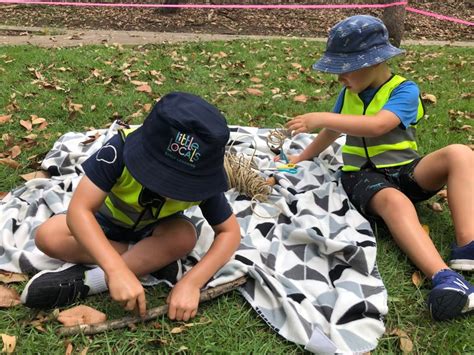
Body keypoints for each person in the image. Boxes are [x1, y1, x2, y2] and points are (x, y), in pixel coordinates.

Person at [285, 15, 473, 321]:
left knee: (460, 153)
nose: (339, 78)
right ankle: (443, 277)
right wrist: (301, 158)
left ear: (372, 62)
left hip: (405, 170)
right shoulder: (348, 93)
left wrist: (322, 117)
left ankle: (468, 247)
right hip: (363, 177)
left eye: (343, 70)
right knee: (394, 202)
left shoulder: (404, 90)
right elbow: (331, 133)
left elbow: (378, 125)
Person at [21, 92, 241, 321]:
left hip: (155, 229)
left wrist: (192, 282)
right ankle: (148, 260)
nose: (167, 187)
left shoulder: (205, 182)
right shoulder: (118, 149)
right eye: (157, 172)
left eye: (180, 183)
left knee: (184, 236)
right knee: (48, 236)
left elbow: (230, 232)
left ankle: (92, 281)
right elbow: (79, 210)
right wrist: (115, 269)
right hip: (103, 223)